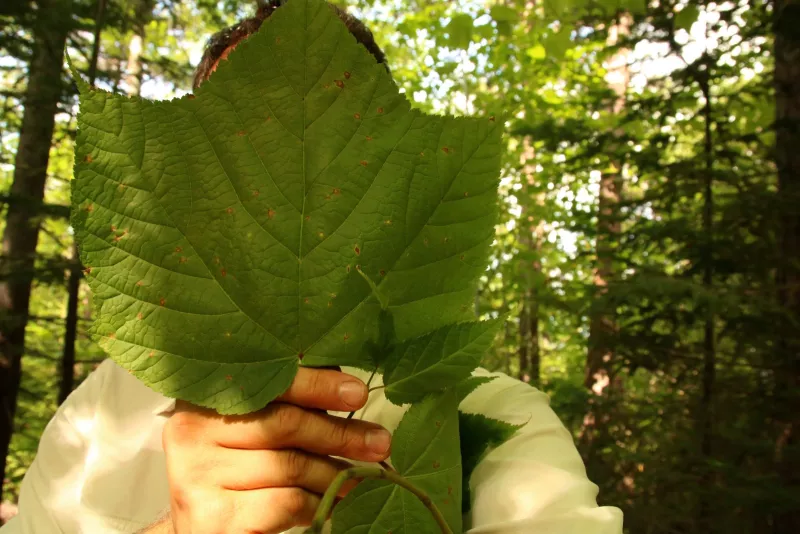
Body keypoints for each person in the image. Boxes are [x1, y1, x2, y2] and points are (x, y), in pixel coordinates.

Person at [0, 2, 624, 533]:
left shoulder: (487, 411)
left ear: (390, 191)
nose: (278, 187)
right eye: (236, 150)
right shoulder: (96, 417)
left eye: (326, 146)